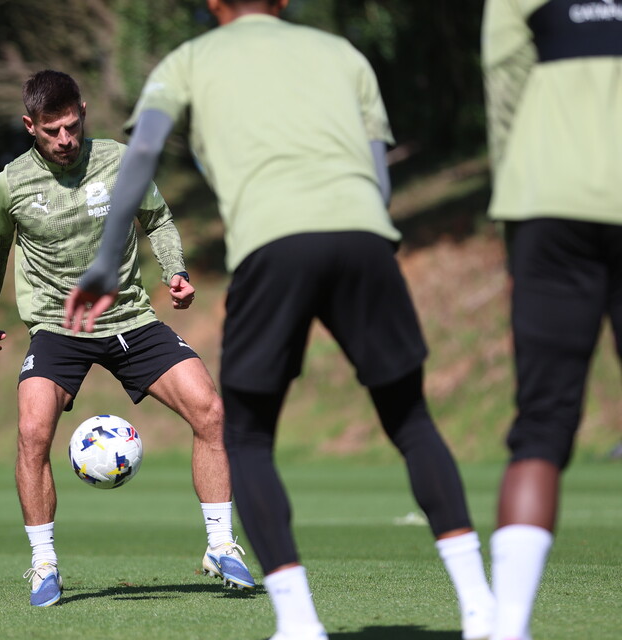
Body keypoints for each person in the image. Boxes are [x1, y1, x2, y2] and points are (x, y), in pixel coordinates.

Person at [64, 2, 494, 638]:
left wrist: (105, 262)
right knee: (411, 420)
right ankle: (483, 610)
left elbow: (143, 152)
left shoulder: (185, 62)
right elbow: (378, 172)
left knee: (248, 438)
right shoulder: (343, 54)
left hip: (273, 247)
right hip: (364, 239)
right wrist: (369, 245)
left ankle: (298, 623)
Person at [0, 69, 255, 608]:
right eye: (51, 130)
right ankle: (44, 564)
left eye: (72, 126)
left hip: (130, 319)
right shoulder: (9, 185)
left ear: (83, 112)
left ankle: (220, 545)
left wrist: (175, 270)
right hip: (59, 326)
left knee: (210, 411)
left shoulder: (119, 161)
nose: (65, 139)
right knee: (32, 432)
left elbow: (158, 219)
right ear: (30, 126)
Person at [482, 2, 622, 639]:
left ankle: (509, 628)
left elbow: (505, 87)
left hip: (549, 199)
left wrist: (515, 200)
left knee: (542, 425)